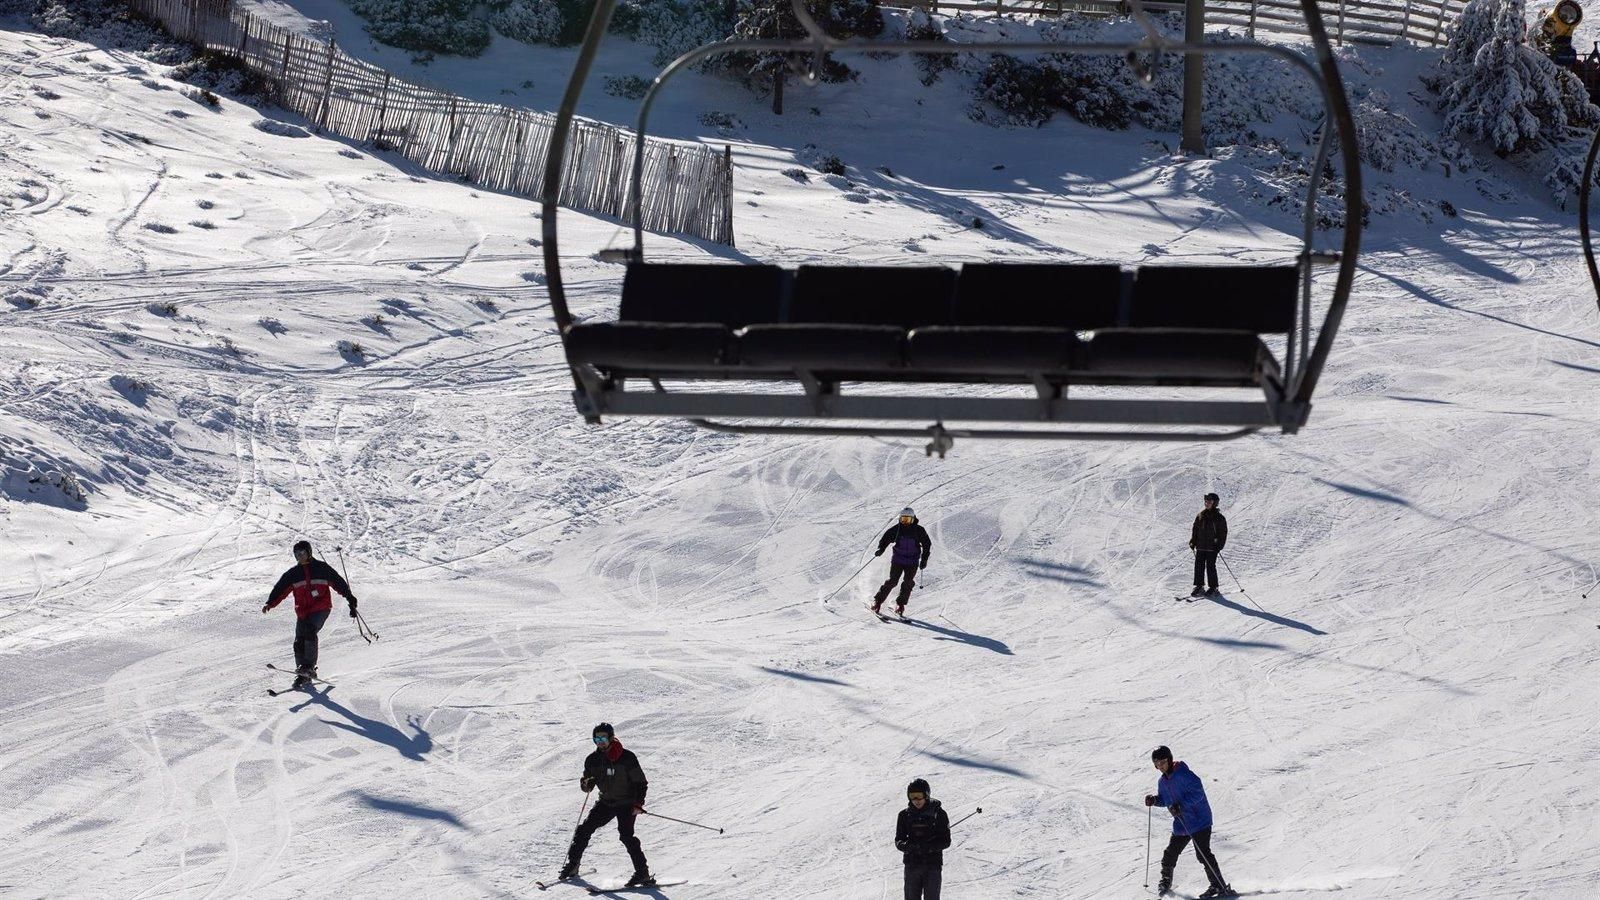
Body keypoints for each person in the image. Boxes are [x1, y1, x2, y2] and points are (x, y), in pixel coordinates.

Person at [560, 723, 653, 887]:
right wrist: (586, 784)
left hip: (626, 803)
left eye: (603, 738)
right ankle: (573, 865)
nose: (599, 742)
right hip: (606, 802)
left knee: (626, 836)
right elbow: (588, 783)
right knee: (584, 829)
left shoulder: (627, 758)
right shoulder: (592, 760)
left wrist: (638, 803)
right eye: (596, 739)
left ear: (610, 738)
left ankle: (642, 873)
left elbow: (641, 783)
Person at [263, 539, 356, 687]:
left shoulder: (321, 568)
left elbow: (338, 582)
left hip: (321, 608)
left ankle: (309, 668)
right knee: (299, 639)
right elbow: (280, 589)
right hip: (303, 611)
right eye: (296, 554)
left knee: (310, 631)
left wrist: (350, 598)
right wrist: (270, 603)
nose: (299, 556)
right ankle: (302, 672)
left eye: (302, 553)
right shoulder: (293, 574)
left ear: (309, 552)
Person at [1145, 746, 1234, 898]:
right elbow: (1165, 799)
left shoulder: (1184, 774)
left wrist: (1181, 805)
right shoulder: (1162, 782)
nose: (1160, 766)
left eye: (1163, 762)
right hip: (1181, 823)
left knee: (1203, 854)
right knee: (1170, 853)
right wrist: (1155, 800)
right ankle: (1166, 880)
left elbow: (1198, 792)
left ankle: (1218, 885)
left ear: (1170, 759)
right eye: (1157, 763)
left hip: (1199, 820)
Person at [895, 778, 951, 900]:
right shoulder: (904, 815)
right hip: (912, 864)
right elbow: (899, 840)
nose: (916, 800)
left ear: (926, 794)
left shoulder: (939, 814)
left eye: (919, 796)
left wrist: (929, 846)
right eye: (912, 796)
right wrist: (907, 846)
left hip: (932, 864)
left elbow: (946, 841)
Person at [874, 507, 932, 615]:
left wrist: (924, 560)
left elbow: (927, 544)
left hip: (912, 561)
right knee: (892, 581)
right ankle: (878, 601)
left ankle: (900, 604)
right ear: (900, 519)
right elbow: (886, 538)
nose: (905, 522)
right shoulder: (897, 529)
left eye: (908, 520)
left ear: (913, 519)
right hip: (898, 560)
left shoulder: (919, 530)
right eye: (903, 520)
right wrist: (881, 549)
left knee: (908, 582)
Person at [1188, 493, 1227, 598]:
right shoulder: (1201, 515)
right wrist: (1193, 541)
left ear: (1215, 503)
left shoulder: (1219, 518)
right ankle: (1199, 586)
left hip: (1212, 547)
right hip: (1201, 546)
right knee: (1199, 566)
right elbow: (1195, 529)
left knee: (1210, 566)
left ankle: (1214, 587)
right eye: (1206, 501)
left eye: (1209, 502)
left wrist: (1219, 545)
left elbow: (1223, 533)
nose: (1207, 503)